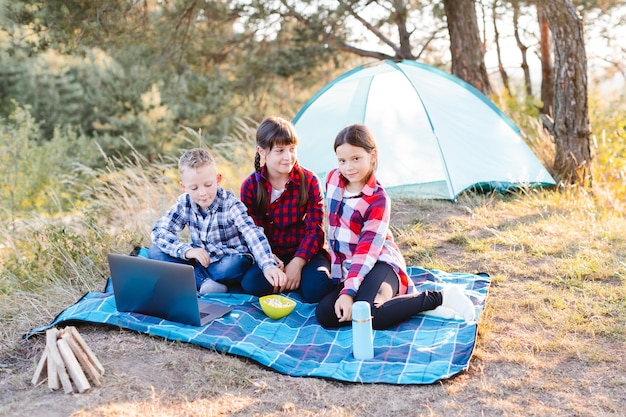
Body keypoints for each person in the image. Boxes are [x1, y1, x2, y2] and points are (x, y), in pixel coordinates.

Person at [315, 124, 476, 329]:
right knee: (326, 314)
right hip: (350, 267)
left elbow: (367, 252)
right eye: (342, 161)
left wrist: (348, 293)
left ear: (372, 155)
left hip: (379, 261)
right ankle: (410, 306)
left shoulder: (378, 199)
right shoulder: (333, 180)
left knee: (370, 315)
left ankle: (440, 297)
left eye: (356, 159)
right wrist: (345, 286)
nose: (349, 167)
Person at [148, 147, 286, 294]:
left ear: (218, 179)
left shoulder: (230, 204)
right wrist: (187, 251)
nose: (202, 193)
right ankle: (206, 282)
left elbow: (251, 232)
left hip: (226, 261)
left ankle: (195, 280)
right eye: (194, 188)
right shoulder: (184, 203)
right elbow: (159, 231)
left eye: (208, 185)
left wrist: (267, 264)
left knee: (235, 264)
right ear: (184, 187)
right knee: (154, 252)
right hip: (200, 260)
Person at [240, 116, 336, 302]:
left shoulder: (309, 181)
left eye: (292, 149)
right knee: (251, 284)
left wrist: (297, 263)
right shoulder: (250, 186)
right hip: (270, 255)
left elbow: (315, 230)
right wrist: (269, 261)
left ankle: (299, 279)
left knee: (317, 290)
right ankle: (290, 281)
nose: (288, 157)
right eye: (280, 150)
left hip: (306, 252)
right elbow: (253, 232)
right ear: (262, 151)